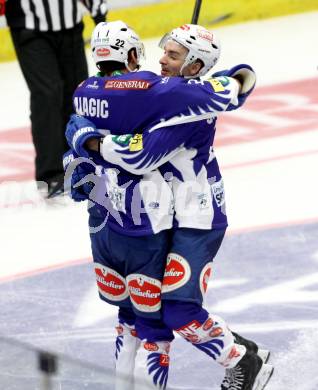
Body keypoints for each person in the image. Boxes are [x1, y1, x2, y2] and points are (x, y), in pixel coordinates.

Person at [64, 21, 273, 390]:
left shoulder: (183, 108)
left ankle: (243, 361)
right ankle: (241, 349)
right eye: (164, 50)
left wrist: (89, 140)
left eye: (173, 55)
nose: (161, 60)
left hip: (199, 218)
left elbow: (140, 154)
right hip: (170, 215)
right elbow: (235, 78)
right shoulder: (178, 92)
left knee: (176, 310)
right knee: (153, 308)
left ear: (194, 65)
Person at [4, 0, 108, 197]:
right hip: (29, 26)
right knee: (47, 94)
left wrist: (99, 16)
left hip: (71, 25)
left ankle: (78, 165)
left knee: (77, 94)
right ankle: (51, 174)